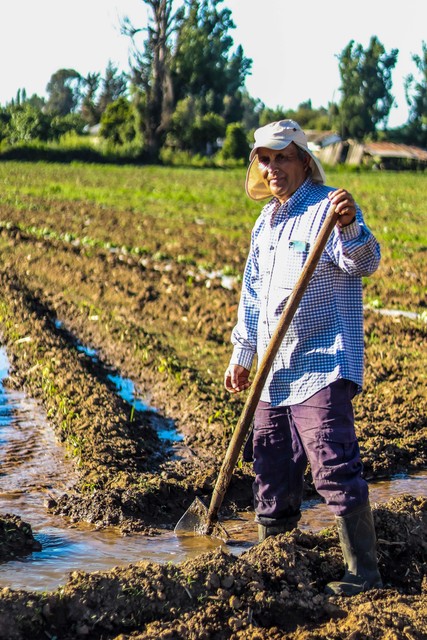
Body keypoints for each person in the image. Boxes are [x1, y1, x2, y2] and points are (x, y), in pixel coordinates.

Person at [224, 120, 382, 597]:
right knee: (270, 468)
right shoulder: (265, 223)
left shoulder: (328, 209)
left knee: (333, 465)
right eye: (265, 160)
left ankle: (364, 575)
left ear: (303, 162)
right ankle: (277, 559)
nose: (272, 168)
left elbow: (365, 262)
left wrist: (351, 225)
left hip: (321, 363)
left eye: (282, 158)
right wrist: (242, 352)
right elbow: (252, 294)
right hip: (275, 370)